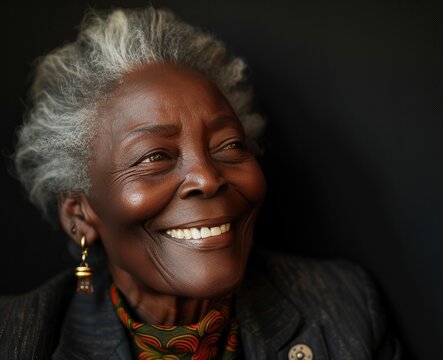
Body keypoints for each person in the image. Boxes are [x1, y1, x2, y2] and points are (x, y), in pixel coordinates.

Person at [0, 6, 402, 359]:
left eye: (228, 146)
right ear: (80, 214)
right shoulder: (17, 338)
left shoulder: (344, 306)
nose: (208, 179)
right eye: (155, 156)